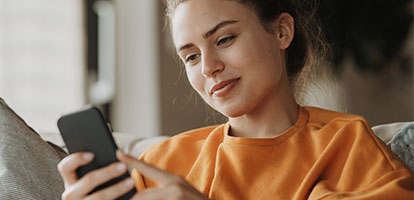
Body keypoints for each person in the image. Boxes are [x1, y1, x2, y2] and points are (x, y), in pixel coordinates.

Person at [57, 0, 414, 199]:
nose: (209, 67)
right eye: (191, 56)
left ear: (281, 31)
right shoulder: (160, 163)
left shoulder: (347, 144)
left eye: (224, 39)